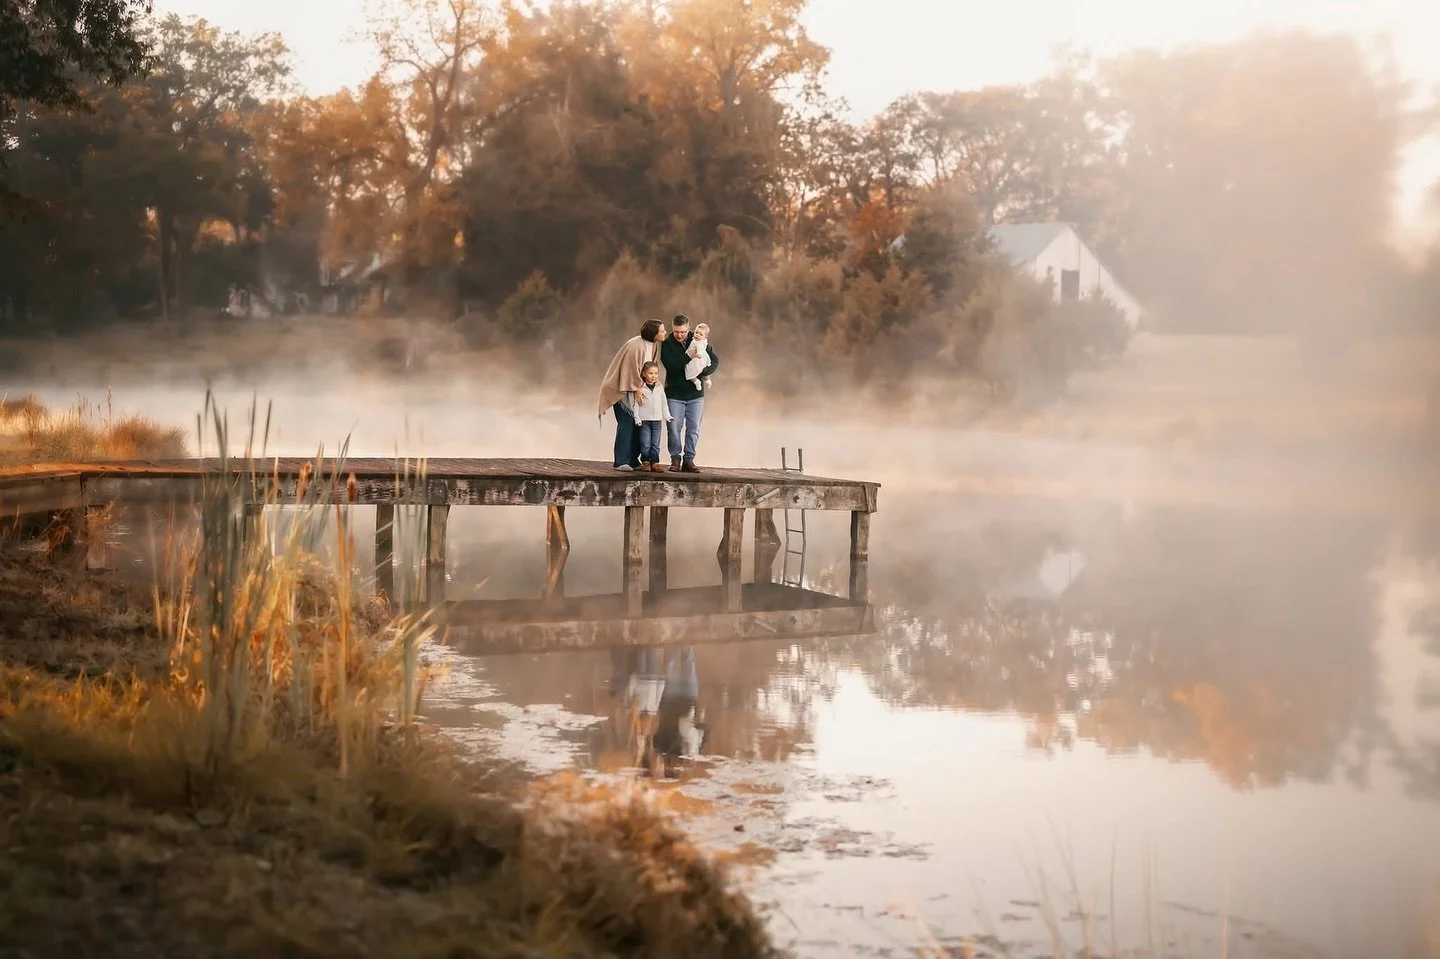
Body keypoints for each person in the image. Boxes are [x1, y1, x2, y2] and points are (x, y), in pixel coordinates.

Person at [597, 318, 667, 471]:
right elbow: (629, 369)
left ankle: (633, 459)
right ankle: (620, 461)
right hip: (623, 389)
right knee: (626, 424)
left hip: (638, 388)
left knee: (638, 424)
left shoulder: (654, 345)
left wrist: (654, 383)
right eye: (662, 330)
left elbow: (649, 367)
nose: (664, 333)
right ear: (653, 333)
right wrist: (636, 388)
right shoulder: (636, 345)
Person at [659, 314, 718, 472]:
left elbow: (714, 359)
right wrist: (687, 356)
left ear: (689, 329)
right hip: (674, 393)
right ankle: (675, 459)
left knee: (693, 429)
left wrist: (703, 371)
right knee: (673, 427)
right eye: (677, 332)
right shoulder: (666, 344)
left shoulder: (698, 338)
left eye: (683, 332)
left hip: (695, 396)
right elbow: (671, 366)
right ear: (673, 329)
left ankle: (689, 460)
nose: (680, 335)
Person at [625, 361, 671, 472]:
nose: (654, 376)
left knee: (655, 443)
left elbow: (664, 403)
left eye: (656, 373)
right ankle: (645, 461)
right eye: (651, 373)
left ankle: (655, 462)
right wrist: (637, 418)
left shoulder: (659, 388)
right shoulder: (641, 389)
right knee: (645, 442)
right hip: (644, 420)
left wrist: (667, 416)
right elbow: (636, 404)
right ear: (644, 374)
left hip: (657, 420)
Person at [682, 322, 714, 391]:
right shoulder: (697, 339)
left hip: (697, 359)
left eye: (701, 334)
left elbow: (700, 348)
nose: (697, 335)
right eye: (696, 332)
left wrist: (698, 354)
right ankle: (707, 380)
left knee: (689, 372)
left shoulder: (701, 343)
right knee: (703, 370)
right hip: (701, 359)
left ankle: (696, 382)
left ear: (705, 337)